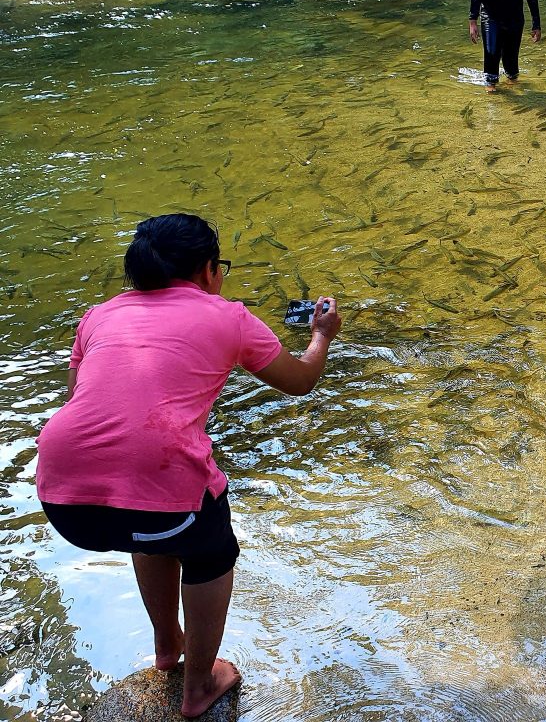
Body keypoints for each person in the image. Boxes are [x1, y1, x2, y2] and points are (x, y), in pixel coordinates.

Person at [35, 213, 341, 718]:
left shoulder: (98, 315)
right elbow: (301, 380)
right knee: (212, 550)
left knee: (153, 525)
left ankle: (166, 648)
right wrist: (322, 335)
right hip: (153, 492)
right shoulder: (228, 316)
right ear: (206, 270)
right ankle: (199, 685)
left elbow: (79, 403)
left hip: (63, 498)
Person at [468, 0, 541, 92]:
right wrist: (473, 21)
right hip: (490, 18)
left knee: (511, 63)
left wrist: (536, 23)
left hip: (514, 19)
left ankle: (511, 88)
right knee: (491, 54)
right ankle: (491, 94)